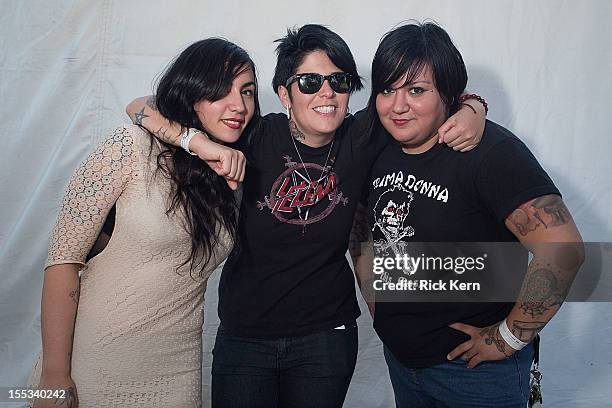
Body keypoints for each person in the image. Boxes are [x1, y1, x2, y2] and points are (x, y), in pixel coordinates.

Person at [128, 24, 486, 408]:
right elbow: (139, 106)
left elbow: (430, 96)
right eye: (310, 82)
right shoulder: (253, 135)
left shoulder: (363, 135)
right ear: (284, 93)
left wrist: (473, 107)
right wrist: (195, 141)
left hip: (326, 338)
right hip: (245, 336)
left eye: (339, 81)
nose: (326, 93)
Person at [351, 22, 584, 407]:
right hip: (402, 363)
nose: (398, 105)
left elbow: (563, 251)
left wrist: (508, 337)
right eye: (387, 89)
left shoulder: (490, 152)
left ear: (448, 93)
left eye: (417, 90)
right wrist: (372, 290)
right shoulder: (376, 142)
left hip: (475, 374)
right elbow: (361, 223)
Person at [28, 38, 259, 408]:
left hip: (177, 372)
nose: (239, 105)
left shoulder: (230, 175)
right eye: (220, 90)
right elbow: (63, 262)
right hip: (91, 363)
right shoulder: (130, 146)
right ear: (191, 93)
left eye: (247, 92)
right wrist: (54, 375)